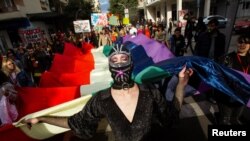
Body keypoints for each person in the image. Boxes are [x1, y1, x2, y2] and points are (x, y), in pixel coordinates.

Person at [23, 44, 193, 140]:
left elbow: (171, 116)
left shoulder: (149, 91)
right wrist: (43, 118)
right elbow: (76, 123)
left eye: (124, 59)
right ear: (110, 65)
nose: (119, 65)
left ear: (131, 63)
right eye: (114, 60)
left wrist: (181, 84)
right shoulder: (102, 99)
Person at [216, 34, 250, 125]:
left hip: (243, 96)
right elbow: (218, 76)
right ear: (237, 43)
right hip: (227, 95)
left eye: (246, 42)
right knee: (225, 120)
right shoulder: (227, 58)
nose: (242, 45)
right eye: (240, 42)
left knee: (235, 118)